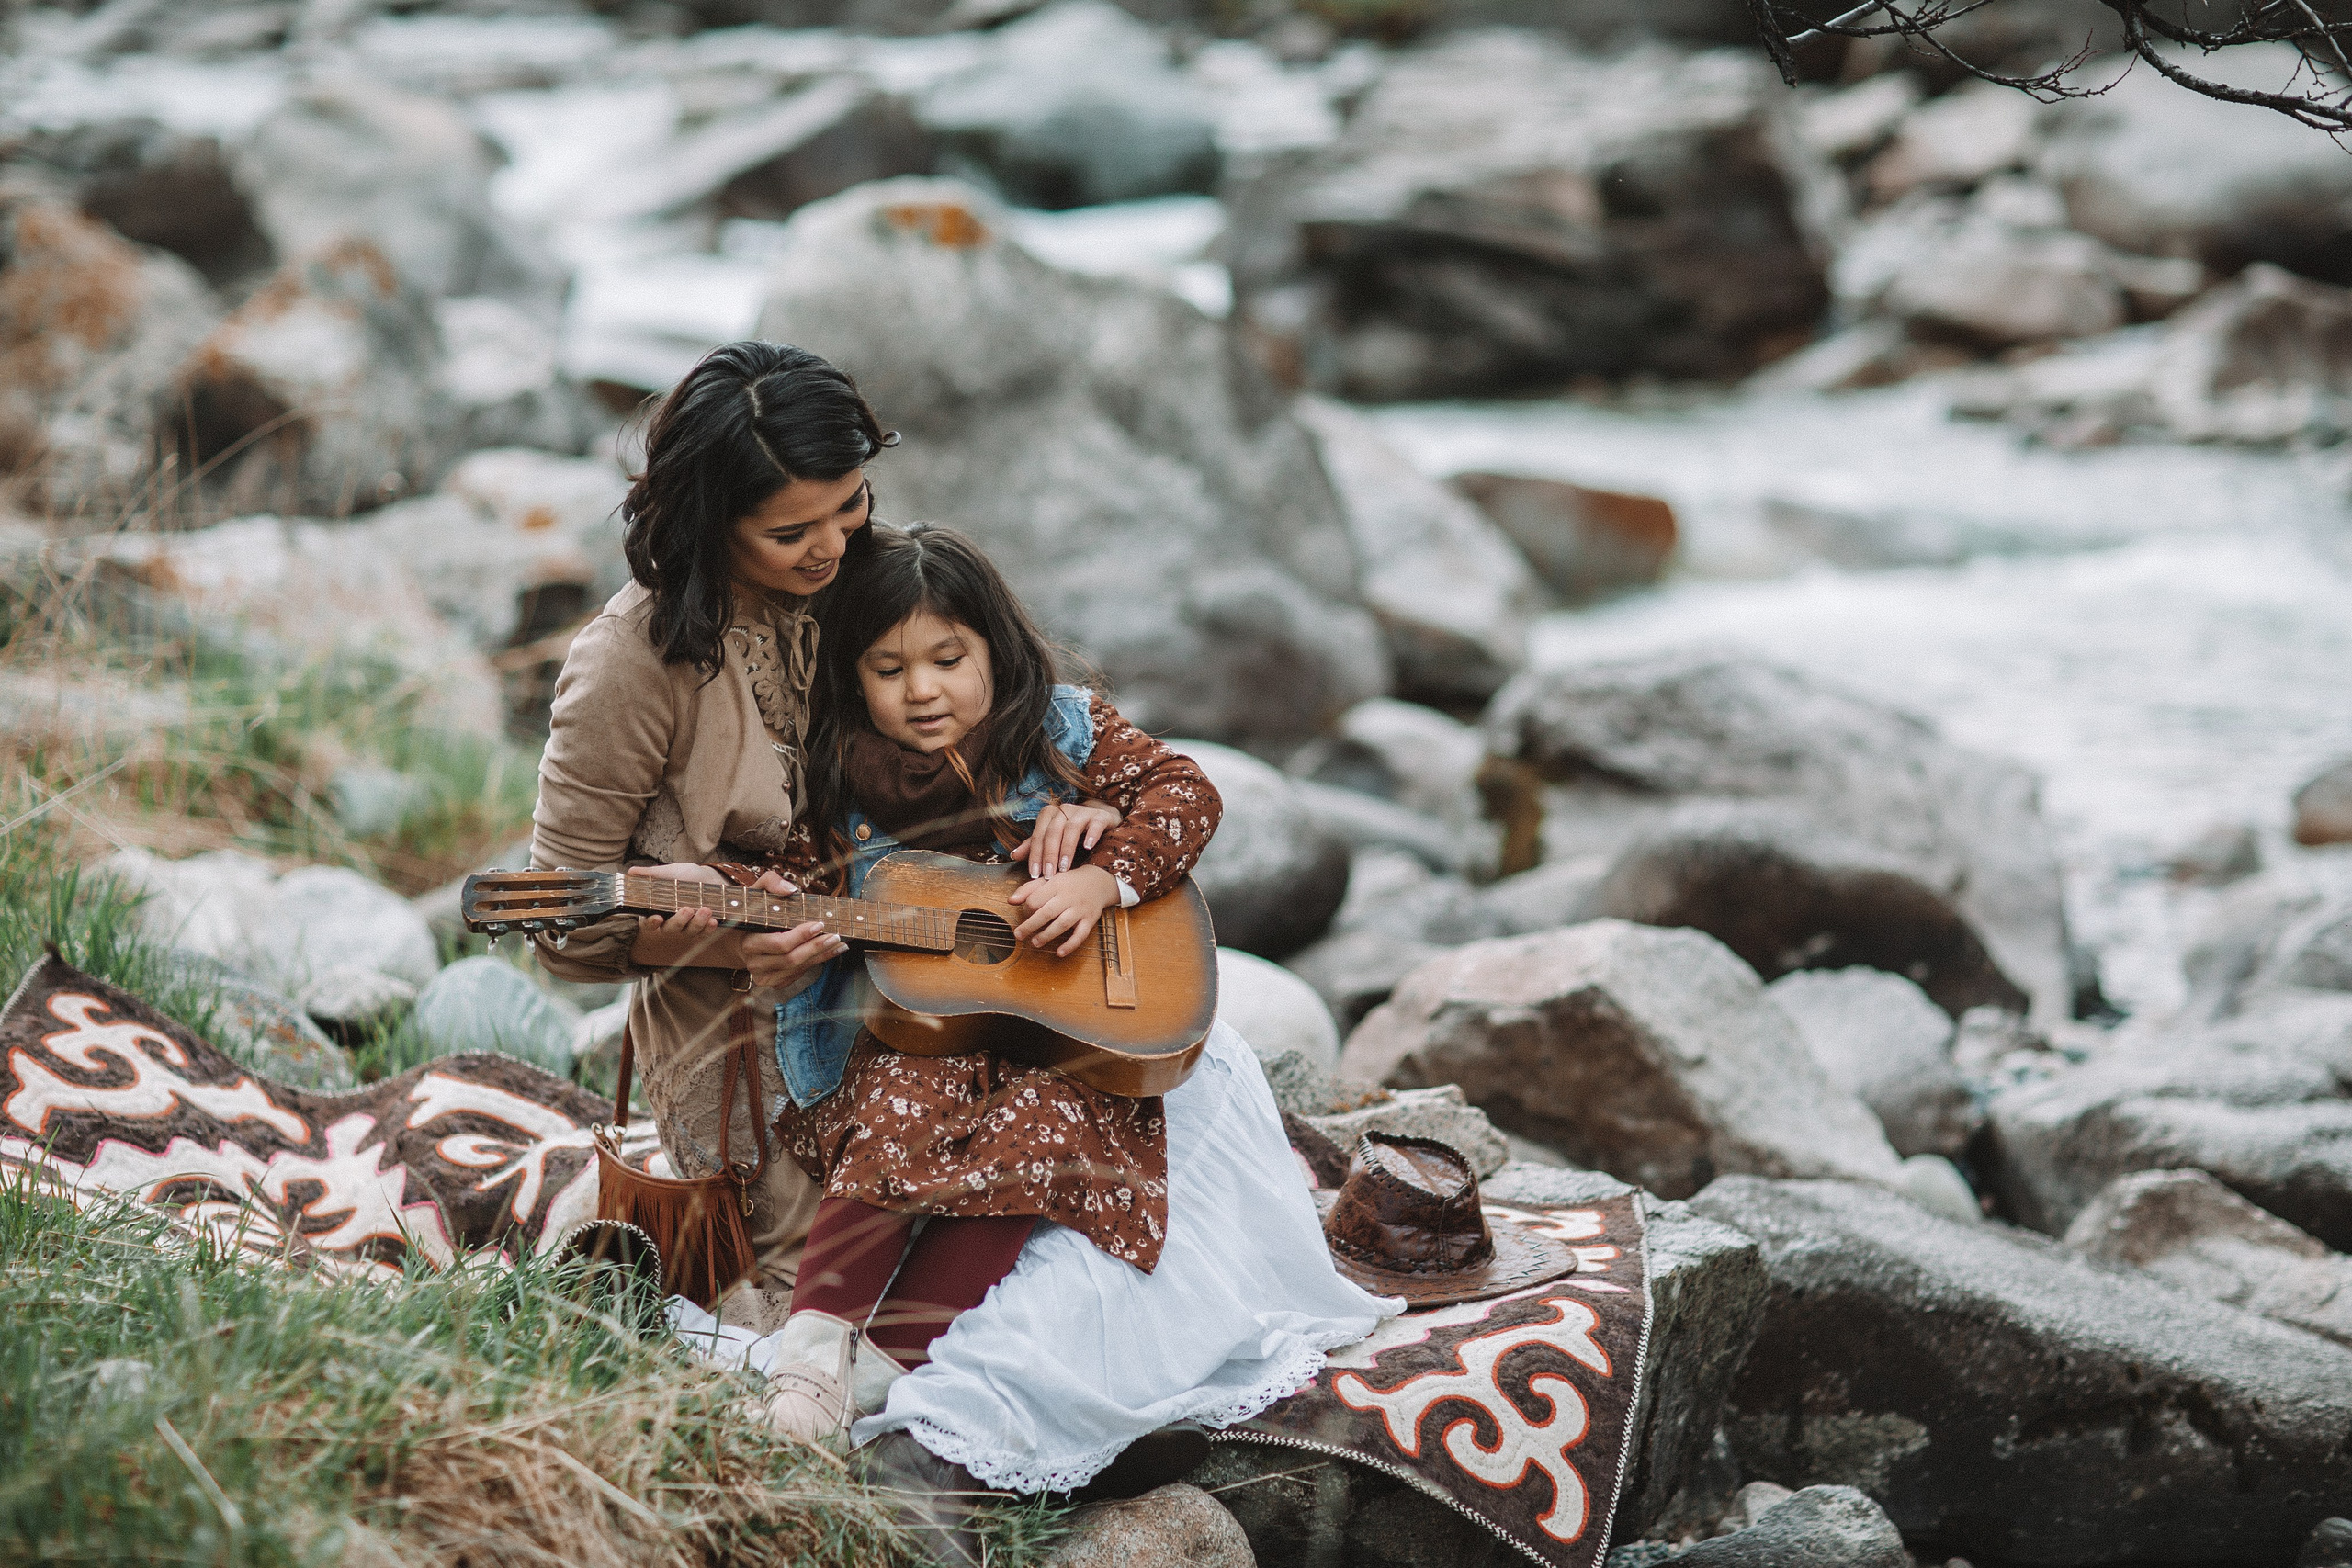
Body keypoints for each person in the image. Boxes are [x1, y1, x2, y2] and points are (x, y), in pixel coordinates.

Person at [752, 525, 1396, 1561]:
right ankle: (810, 1352)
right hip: (921, 1033)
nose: (923, 690)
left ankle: (889, 1356)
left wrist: (1106, 875)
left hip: (1066, 1032)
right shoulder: (834, 775)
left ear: (996, 649)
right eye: (889, 668)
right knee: (904, 1098)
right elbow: (789, 890)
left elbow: (1189, 792)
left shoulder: (1058, 726)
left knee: (1051, 1135)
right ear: (850, 676)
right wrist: (775, 938)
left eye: (947, 658)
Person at [526, 344, 1118, 1320]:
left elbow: (1007, 708)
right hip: (745, 1030)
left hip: (930, 976)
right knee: (834, 1305)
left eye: (851, 505)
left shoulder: (866, 577)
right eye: (789, 531)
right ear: (708, 521)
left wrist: (1082, 806)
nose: (833, 548)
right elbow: (562, 924)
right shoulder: (627, 667)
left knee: (1065, 1195)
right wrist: (727, 939)